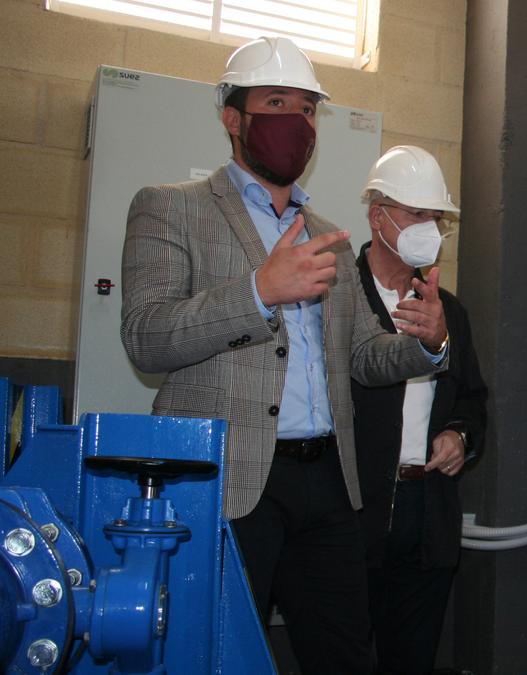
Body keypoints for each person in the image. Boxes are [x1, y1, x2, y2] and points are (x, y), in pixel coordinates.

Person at [120, 37, 449, 674]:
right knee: (213, 650)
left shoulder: (327, 234)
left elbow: (361, 358)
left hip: (327, 479)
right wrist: (257, 292)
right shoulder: (172, 208)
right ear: (232, 117)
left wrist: (428, 345)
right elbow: (146, 336)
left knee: (346, 654)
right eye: (275, 103)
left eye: (306, 109)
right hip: (231, 478)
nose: (294, 124)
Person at [351, 146, 488, 674]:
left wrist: (460, 437)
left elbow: (473, 398)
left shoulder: (447, 308)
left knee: (411, 659)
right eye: (416, 213)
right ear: (377, 214)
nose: (428, 227)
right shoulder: (338, 295)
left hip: (426, 514)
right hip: (352, 512)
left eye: (436, 217)